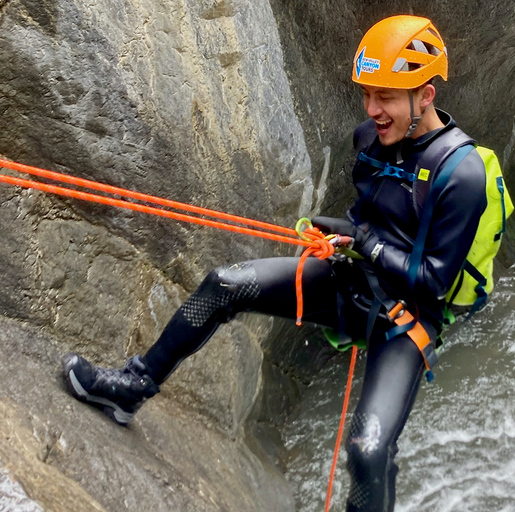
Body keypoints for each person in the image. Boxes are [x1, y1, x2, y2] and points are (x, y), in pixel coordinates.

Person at [61, 14, 487, 512]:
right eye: (367, 94)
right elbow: (367, 220)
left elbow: (433, 281)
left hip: (405, 320)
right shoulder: (369, 138)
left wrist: (364, 242)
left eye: (386, 97)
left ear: (427, 94)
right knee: (225, 284)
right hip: (348, 283)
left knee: (369, 451)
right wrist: (342, 234)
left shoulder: (462, 173)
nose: (372, 109)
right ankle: (133, 387)